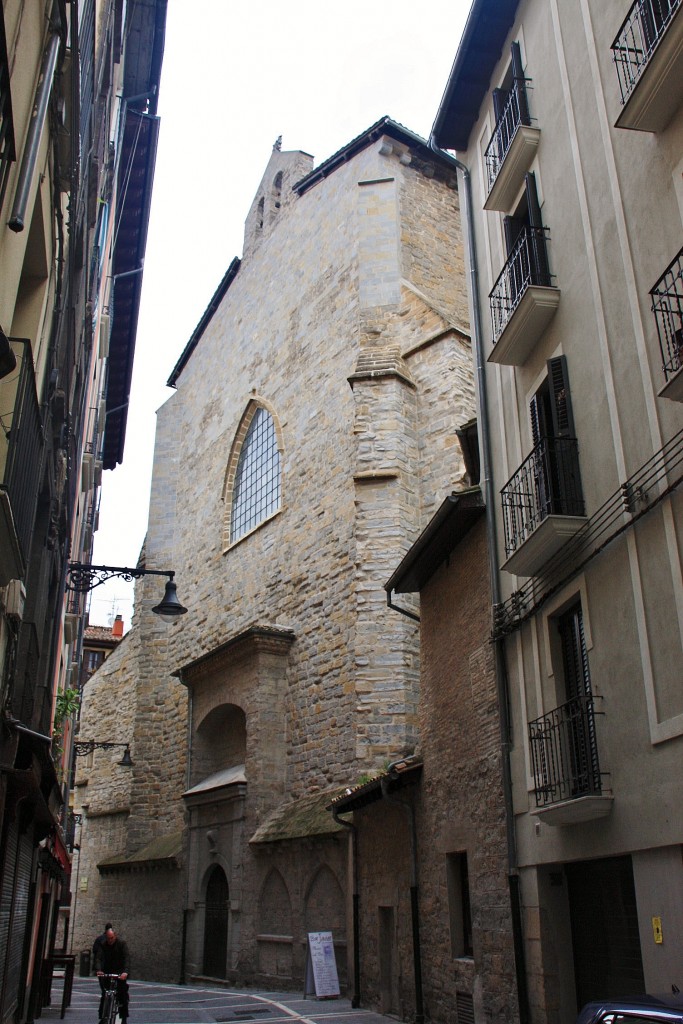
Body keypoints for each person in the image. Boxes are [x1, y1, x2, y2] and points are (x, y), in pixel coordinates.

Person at [95, 927, 130, 1023]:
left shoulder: (122, 944)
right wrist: (99, 969)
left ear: (115, 937)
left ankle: (123, 1017)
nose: (110, 940)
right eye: (108, 938)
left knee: (122, 994)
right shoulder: (103, 945)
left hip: (119, 971)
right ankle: (102, 1017)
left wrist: (125, 972)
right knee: (104, 993)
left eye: (112, 938)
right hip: (108, 970)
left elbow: (126, 958)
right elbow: (98, 957)